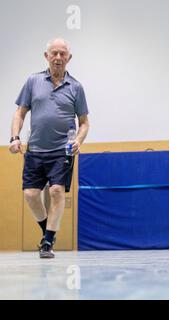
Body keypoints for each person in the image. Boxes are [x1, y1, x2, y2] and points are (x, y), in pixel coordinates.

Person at [9, 38, 90, 258]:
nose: (58, 58)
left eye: (62, 54)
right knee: (31, 195)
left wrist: (79, 141)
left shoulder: (76, 87)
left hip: (62, 151)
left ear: (69, 58)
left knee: (56, 191)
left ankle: (48, 243)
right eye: (54, 53)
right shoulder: (32, 81)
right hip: (35, 150)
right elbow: (20, 113)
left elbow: (84, 122)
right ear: (46, 56)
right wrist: (15, 137)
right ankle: (47, 232)